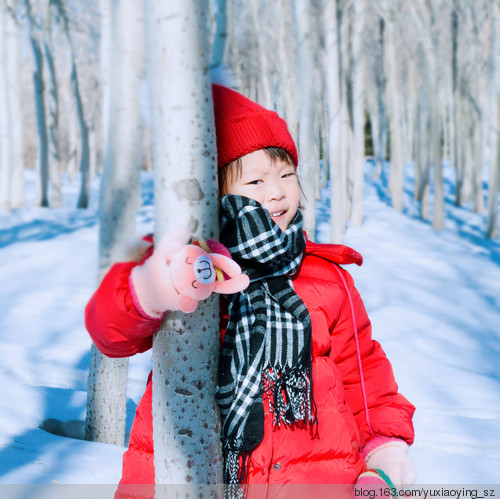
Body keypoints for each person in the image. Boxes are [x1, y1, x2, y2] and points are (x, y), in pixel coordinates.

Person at [85, 83, 416, 495]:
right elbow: (108, 331)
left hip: (314, 477)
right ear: (216, 192)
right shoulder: (187, 264)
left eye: (286, 174)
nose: (276, 191)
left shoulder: (326, 275)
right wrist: (153, 289)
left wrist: (384, 454)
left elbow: (363, 374)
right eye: (255, 181)